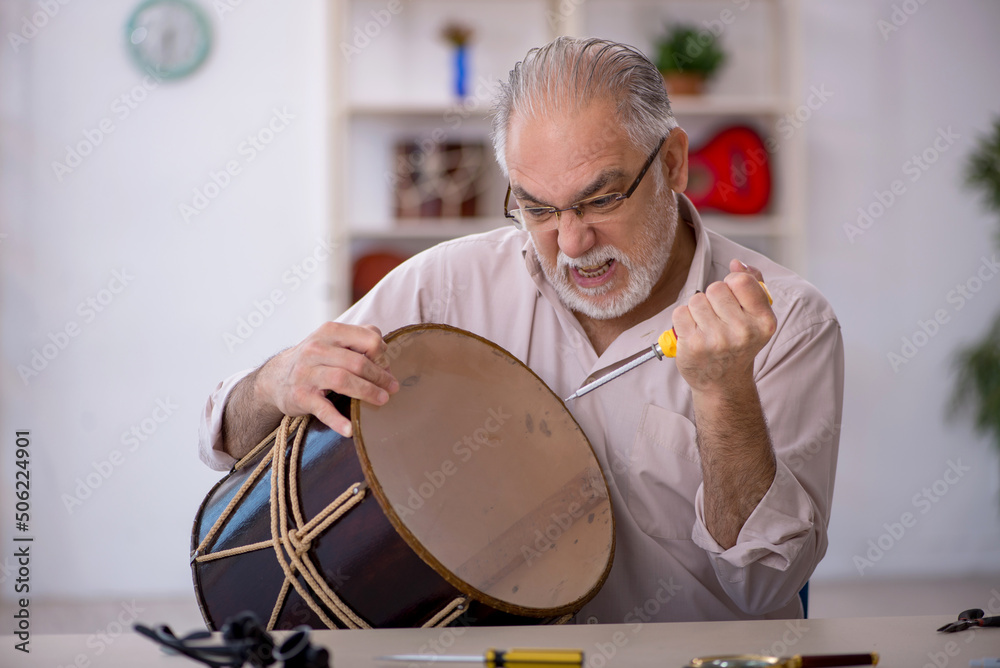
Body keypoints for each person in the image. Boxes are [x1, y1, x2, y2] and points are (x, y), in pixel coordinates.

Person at [198, 37, 843, 623]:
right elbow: (223, 437)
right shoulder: (449, 284)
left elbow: (763, 585)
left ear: (673, 163)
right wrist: (275, 379)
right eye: (536, 207)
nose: (572, 241)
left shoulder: (785, 320)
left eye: (601, 199)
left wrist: (724, 393)